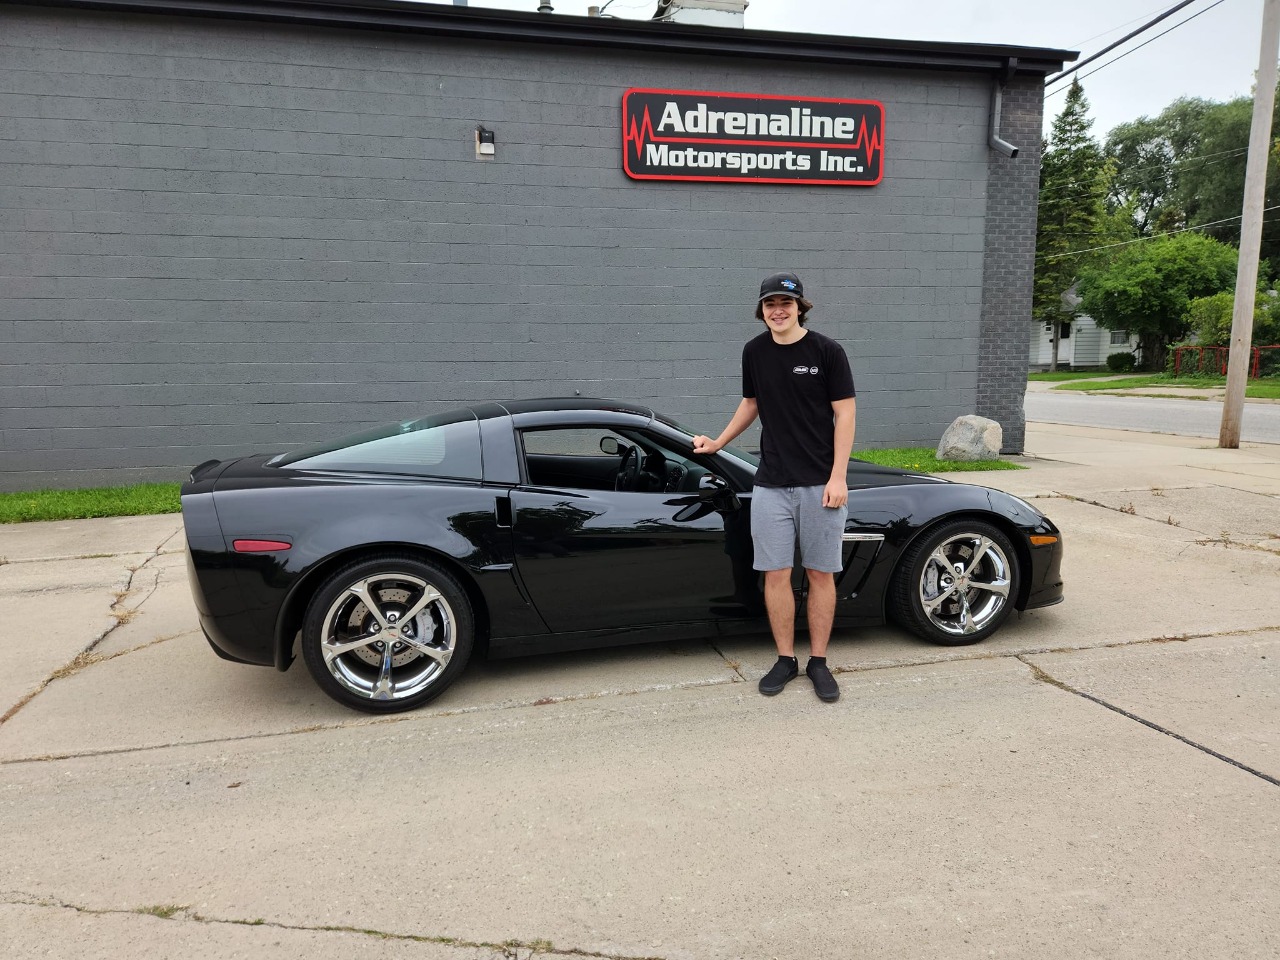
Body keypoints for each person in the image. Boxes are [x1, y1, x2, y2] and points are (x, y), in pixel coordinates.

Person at [693, 272, 856, 702]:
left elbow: (846, 415)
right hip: (772, 484)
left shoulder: (827, 351)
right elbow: (751, 403)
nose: (778, 310)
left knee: (821, 573)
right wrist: (718, 442)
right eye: (770, 304)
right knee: (775, 575)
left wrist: (838, 475)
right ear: (761, 310)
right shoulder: (755, 352)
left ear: (801, 306)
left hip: (820, 483)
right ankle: (786, 659)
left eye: (786, 302)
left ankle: (819, 662)